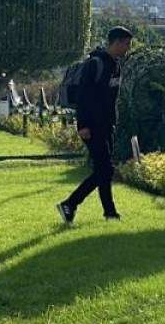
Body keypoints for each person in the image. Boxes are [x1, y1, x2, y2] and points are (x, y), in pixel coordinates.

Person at [57, 27, 133, 224]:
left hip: (107, 125)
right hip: (91, 127)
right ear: (116, 42)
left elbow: (111, 98)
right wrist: (83, 125)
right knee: (105, 170)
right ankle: (72, 203)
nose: (128, 48)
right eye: (126, 44)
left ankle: (108, 213)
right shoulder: (95, 64)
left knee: (104, 170)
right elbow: (83, 97)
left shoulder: (116, 65)